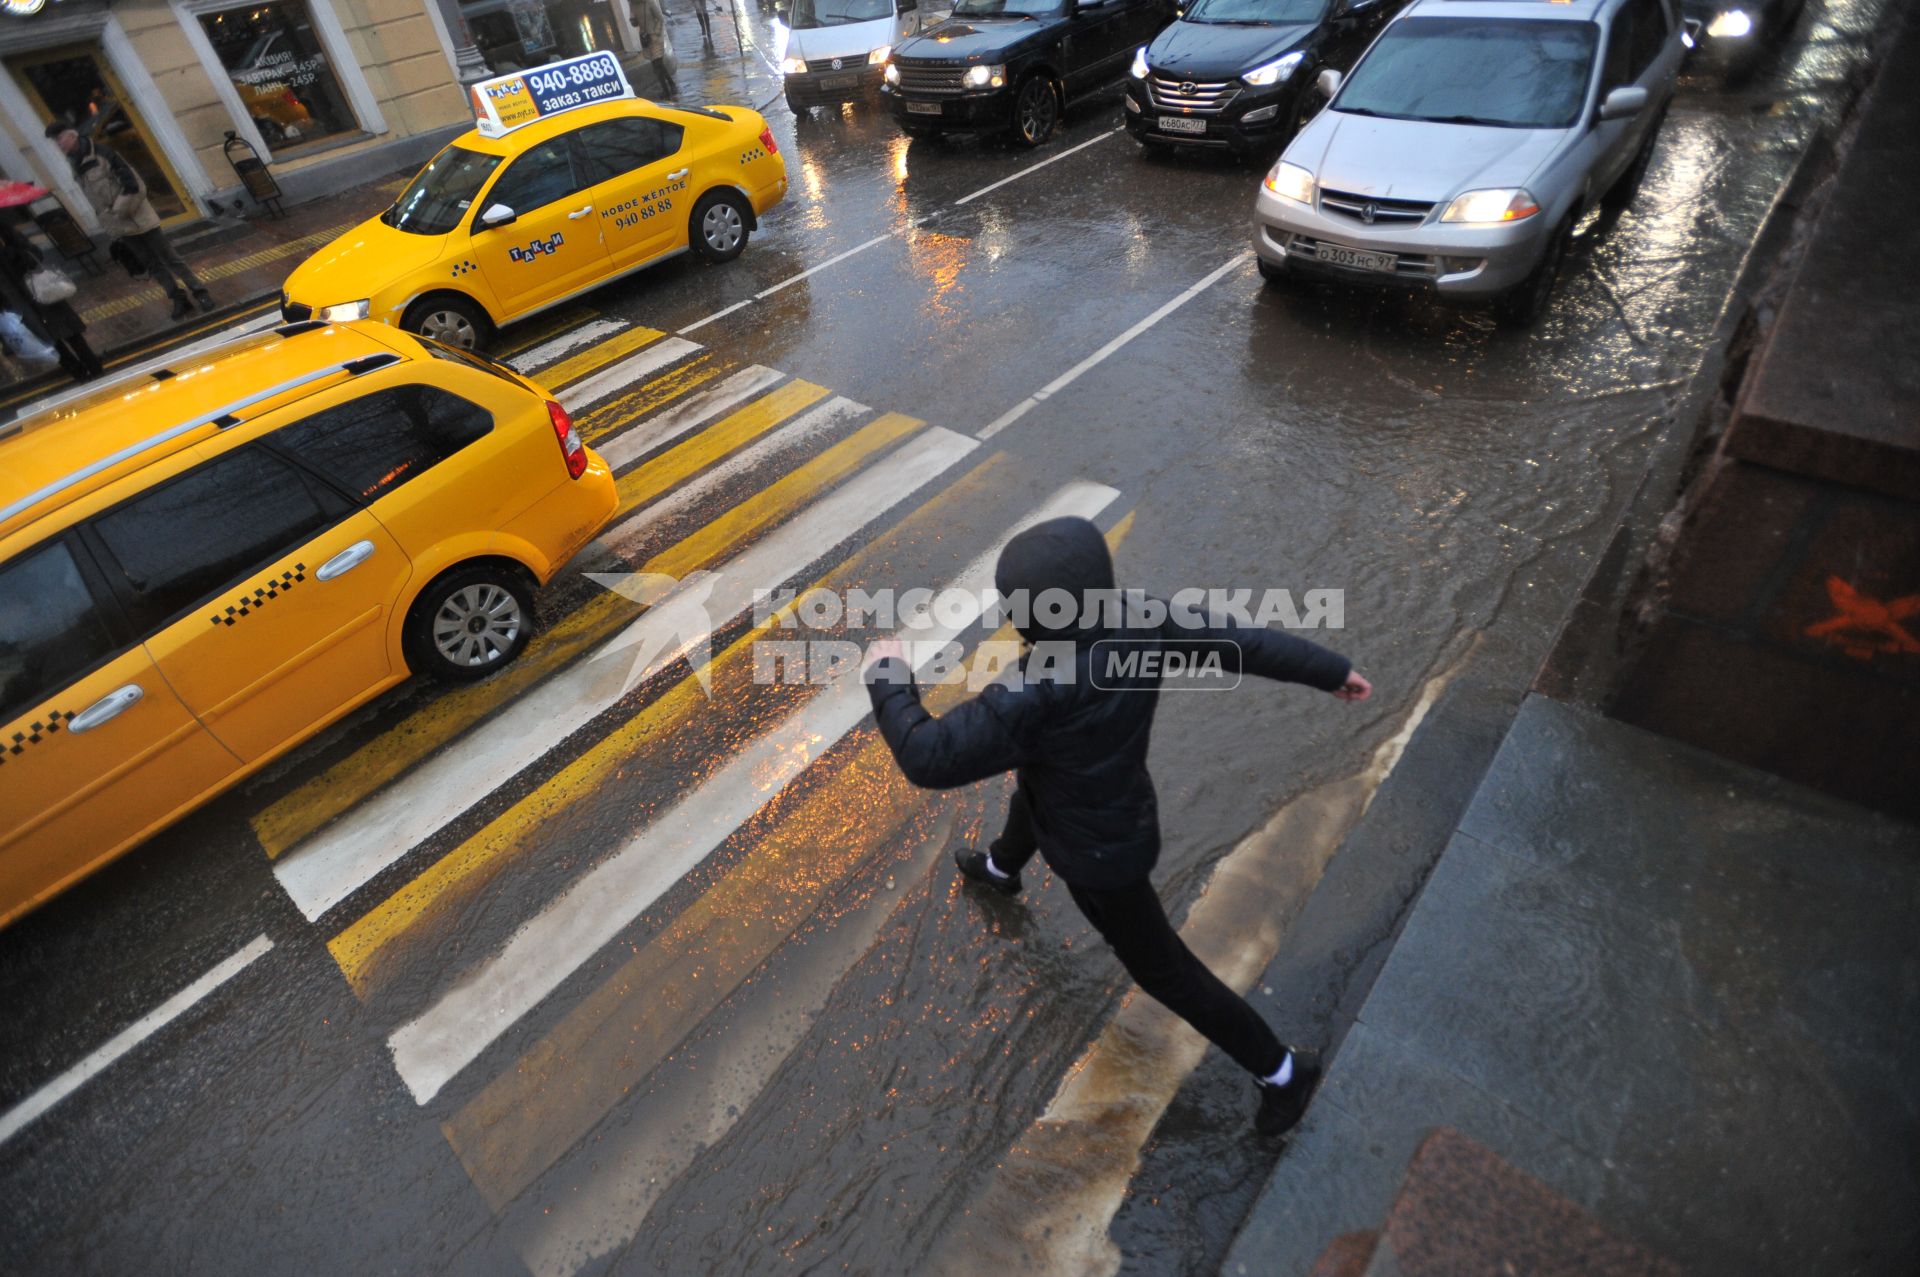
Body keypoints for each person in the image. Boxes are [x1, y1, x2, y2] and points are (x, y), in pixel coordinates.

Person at [863, 516, 1373, 1137]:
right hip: (1104, 798)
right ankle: (1002, 868)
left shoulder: (1032, 692)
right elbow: (1240, 640)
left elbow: (928, 756)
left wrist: (888, 676)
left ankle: (1283, 1073)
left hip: (1101, 855)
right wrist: (1328, 670)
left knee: (1164, 971)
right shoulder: (1140, 617)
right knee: (1034, 786)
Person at [45, 118, 213, 322]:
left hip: (139, 219)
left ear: (72, 135)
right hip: (121, 227)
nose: (59, 144)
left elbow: (134, 185)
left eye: (60, 138)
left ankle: (200, 292)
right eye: (55, 141)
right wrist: (111, 224)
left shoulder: (102, 154)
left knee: (171, 258)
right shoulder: (76, 165)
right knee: (151, 265)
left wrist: (119, 211)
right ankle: (178, 299)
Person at [0, 220, 104, 382]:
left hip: (38, 292)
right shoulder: (9, 238)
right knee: (54, 339)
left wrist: (13, 251)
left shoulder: (9, 237)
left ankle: (89, 368)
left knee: (67, 334)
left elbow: (34, 256)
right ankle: (81, 372)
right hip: (24, 300)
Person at [632, 0, 679, 97]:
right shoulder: (633, 5)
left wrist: (656, 32)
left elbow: (660, 18)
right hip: (646, 39)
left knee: (657, 64)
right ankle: (670, 85)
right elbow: (635, 24)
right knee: (657, 65)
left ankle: (667, 89)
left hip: (656, 38)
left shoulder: (650, 3)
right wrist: (633, 20)